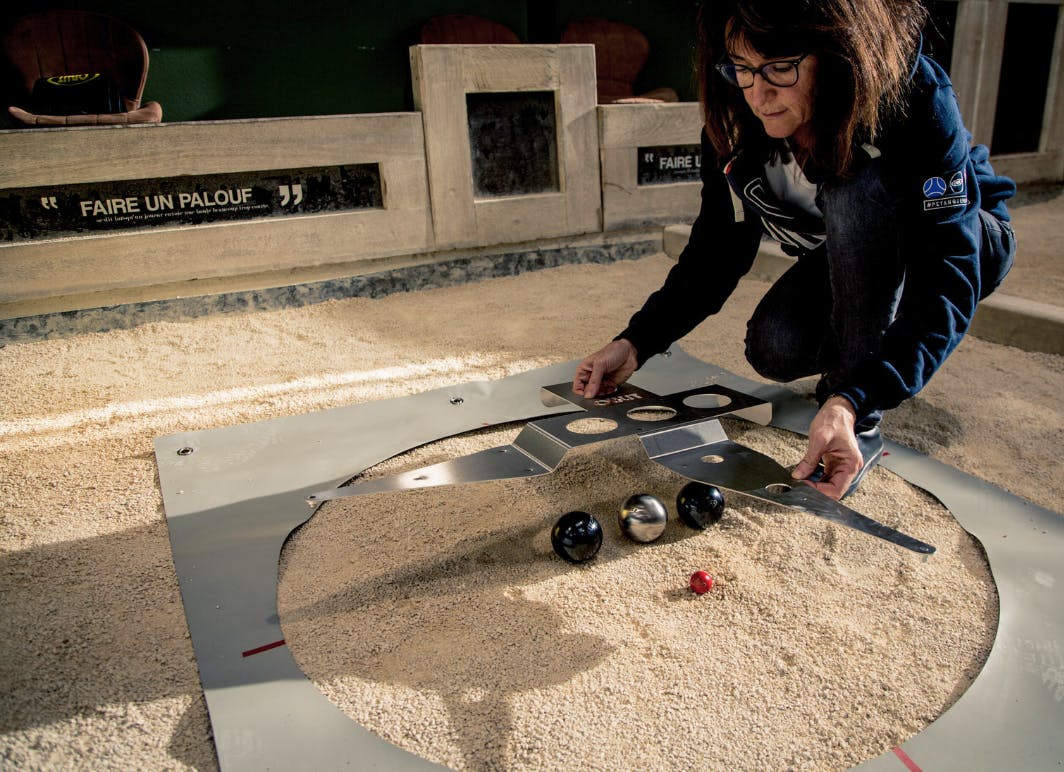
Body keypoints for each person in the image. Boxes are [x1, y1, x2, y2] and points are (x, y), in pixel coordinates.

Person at [574, 0, 1016, 500]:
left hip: (965, 241)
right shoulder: (736, 117)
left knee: (853, 190)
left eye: (780, 68)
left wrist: (854, 398)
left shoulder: (914, 98)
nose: (759, 94)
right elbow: (716, 251)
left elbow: (947, 272)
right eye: (742, 67)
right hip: (856, 251)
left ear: (834, 53)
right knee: (775, 348)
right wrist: (636, 341)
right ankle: (869, 354)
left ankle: (858, 418)